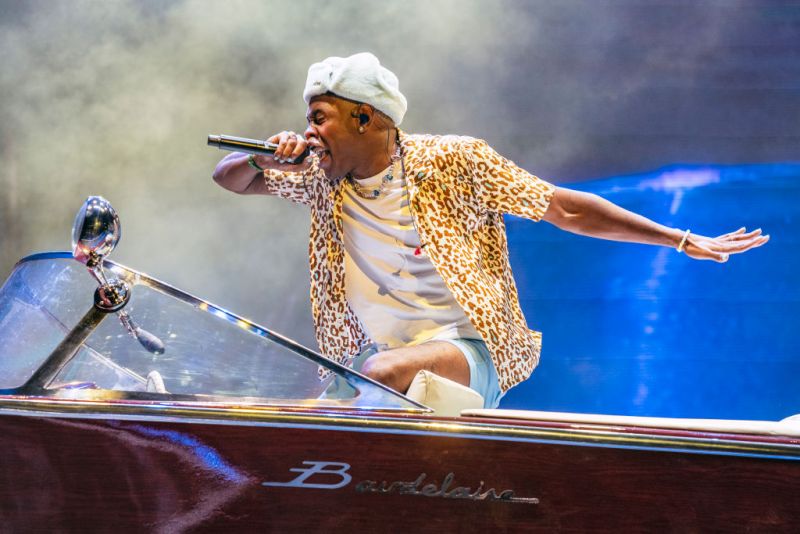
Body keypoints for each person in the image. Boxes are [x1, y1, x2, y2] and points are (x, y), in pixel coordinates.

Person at [213, 52, 768, 408]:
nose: (308, 134)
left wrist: (678, 238)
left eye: (319, 118)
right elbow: (229, 178)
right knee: (293, 415)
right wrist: (268, 160)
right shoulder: (317, 177)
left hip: (468, 353)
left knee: (381, 373)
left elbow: (565, 209)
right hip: (371, 359)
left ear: (364, 118)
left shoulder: (454, 161)